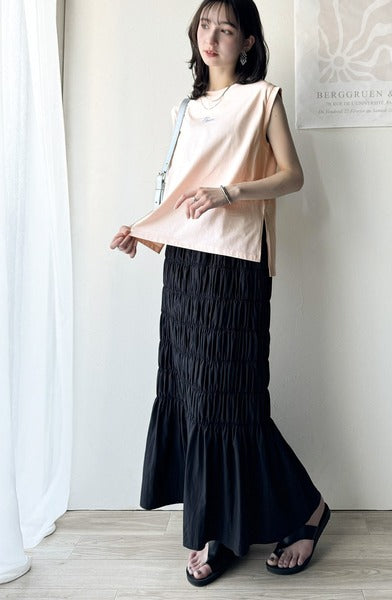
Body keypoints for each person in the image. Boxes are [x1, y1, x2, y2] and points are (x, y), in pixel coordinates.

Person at [110, 0, 330, 587]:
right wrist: (143, 233)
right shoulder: (184, 108)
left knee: (231, 403)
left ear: (248, 42)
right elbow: (178, 190)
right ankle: (225, 530)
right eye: (205, 25)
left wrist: (230, 192)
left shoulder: (263, 98)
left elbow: (292, 176)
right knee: (194, 397)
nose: (212, 37)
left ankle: (305, 510)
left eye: (226, 28)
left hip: (236, 263)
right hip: (185, 265)